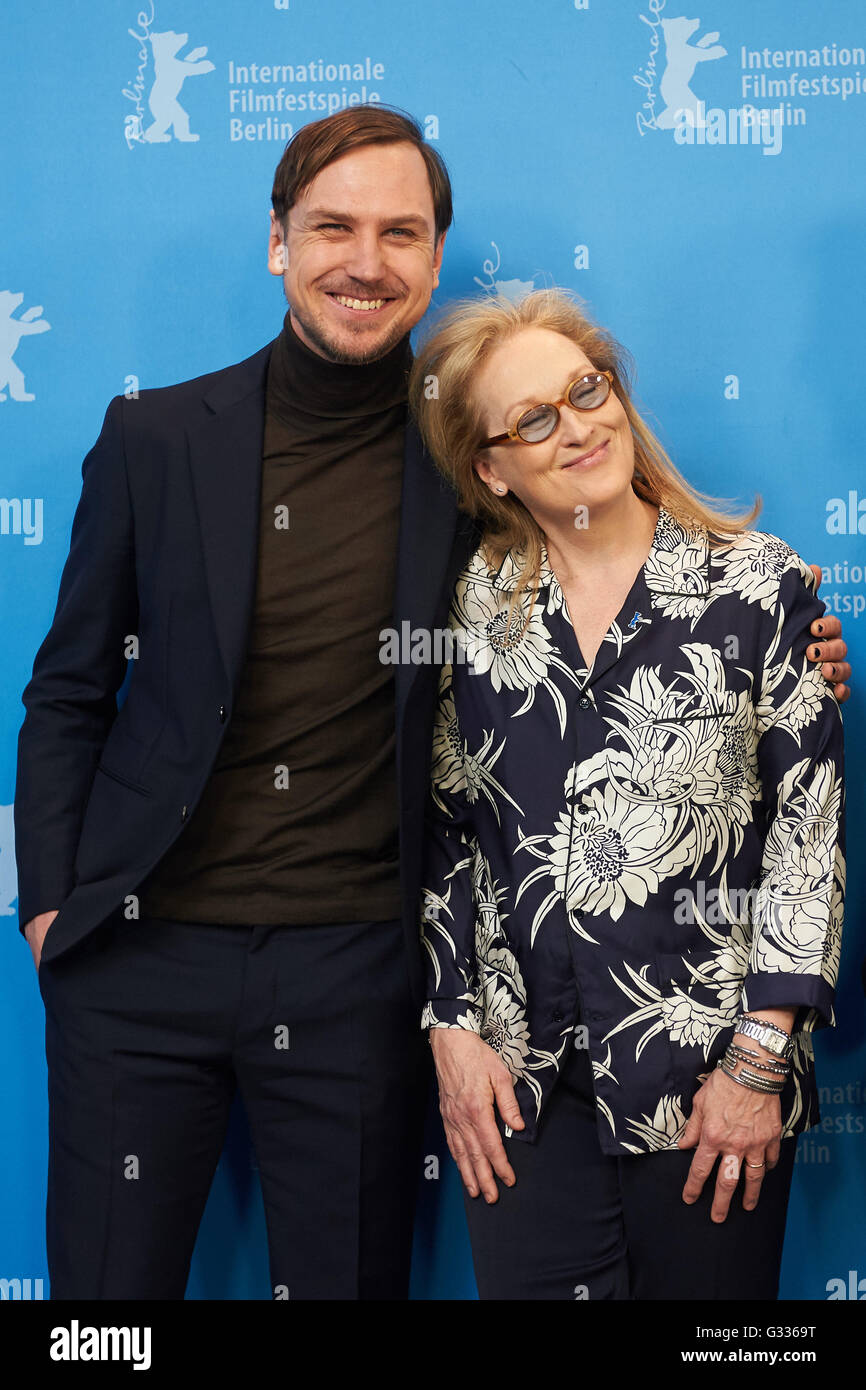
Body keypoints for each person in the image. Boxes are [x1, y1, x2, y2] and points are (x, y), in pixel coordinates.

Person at [14, 106, 848, 1302]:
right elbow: (70, 687)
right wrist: (51, 904)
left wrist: (794, 642)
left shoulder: (466, 457)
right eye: (333, 227)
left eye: (400, 231)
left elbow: (624, 574)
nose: (366, 261)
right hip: (143, 958)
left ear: (433, 255)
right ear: (278, 243)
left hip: (358, 972)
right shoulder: (155, 438)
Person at [410, 288, 846, 1300]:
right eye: (532, 420)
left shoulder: (758, 586)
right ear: (490, 468)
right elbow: (442, 832)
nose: (575, 428)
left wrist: (757, 1061)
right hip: (518, 1098)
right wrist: (450, 1025)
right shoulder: (465, 611)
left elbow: (804, 833)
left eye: (584, 391)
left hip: (709, 1088)